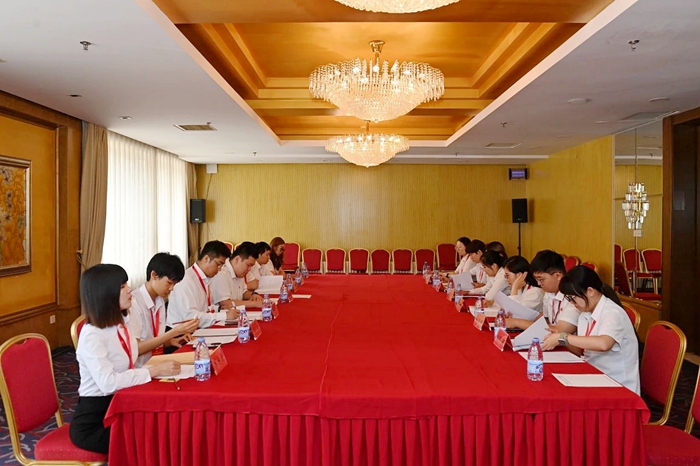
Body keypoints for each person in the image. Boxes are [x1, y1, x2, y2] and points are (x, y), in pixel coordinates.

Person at [70, 264, 181, 454]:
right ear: (105, 294)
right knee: (153, 438)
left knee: (166, 423)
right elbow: (108, 383)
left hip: (122, 404)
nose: (130, 289)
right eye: (122, 286)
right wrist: (153, 371)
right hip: (96, 420)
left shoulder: (121, 324)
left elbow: (129, 364)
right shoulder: (92, 335)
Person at [542, 266, 639, 394]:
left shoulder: (612, 312)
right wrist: (562, 340)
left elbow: (604, 344)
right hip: (594, 374)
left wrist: (564, 337)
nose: (572, 303)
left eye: (572, 298)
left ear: (590, 291)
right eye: (568, 299)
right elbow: (582, 350)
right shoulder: (585, 313)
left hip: (617, 384)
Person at [127, 252, 199, 367]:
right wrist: (174, 332)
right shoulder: (133, 304)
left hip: (158, 363)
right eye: (169, 283)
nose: (171, 288)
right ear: (154, 275)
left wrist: (171, 341)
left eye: (174, 284)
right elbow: (136, 349)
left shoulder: (159, 300)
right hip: (141, 369)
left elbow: (154, 338)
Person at [166, 240, 240, 328]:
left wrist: (219, 309)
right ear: (206, 259)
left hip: (197, 329)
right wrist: (224, 316)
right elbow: (191, 317)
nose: (219, 269)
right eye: (218, 264)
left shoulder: (206, 278)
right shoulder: (186, 280)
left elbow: (203, 309)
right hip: (180, 332)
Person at [527, 250, 581, 335]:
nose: (538, 283)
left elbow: (559, 331)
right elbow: (546, 319)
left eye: (541, 279)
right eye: (536, 279)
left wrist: (517, 323)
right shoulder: (549, 292)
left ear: (558, 276)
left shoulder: (574, 297)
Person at [211, 242, 264, 309]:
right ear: (237, 259)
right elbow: (225, 303)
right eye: (248, 265)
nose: (249, 269)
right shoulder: (221, 274)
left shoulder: (239, 273)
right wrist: (254, 304)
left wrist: (253, 295)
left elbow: (243, 292)